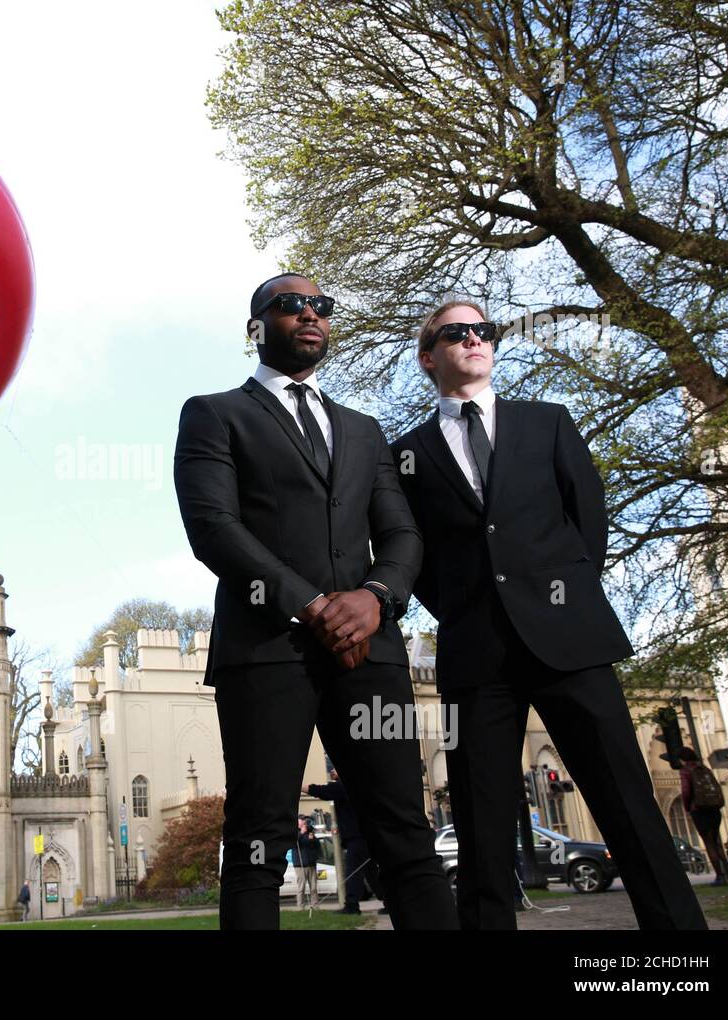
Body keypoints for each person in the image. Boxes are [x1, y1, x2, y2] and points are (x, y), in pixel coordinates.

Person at [390, 300, 708, 930]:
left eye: (484, 330)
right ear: (430, 356)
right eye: (457, 332)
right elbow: (412, 550)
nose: (475, 339)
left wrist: (564, 596)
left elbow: (588, 518)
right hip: (477, 653)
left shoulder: (548, 422)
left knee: (628, 805)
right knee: (482, 824)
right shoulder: (406, 454)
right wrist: (464, 608)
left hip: (570, 641)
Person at [173, 271, 457, 930]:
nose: (309, 314)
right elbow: (213, 528)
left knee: (406, 838)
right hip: (268, 651)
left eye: (321, 307)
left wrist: (377, 598)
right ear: (256, 328)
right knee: (256, 840)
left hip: (372, 656)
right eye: (290, 305)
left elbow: (401, 534)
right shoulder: (214, 414)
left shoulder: (364, 430)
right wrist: (312, 605)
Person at [304, 769, 384, 915]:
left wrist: (299, 786)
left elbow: (321, 791)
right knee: (372, 873)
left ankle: (352, 906)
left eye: (334, 769)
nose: (331, 771)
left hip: (358, 838)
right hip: (365, 837)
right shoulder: (356, 785)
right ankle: (391, 902)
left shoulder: (345, 785)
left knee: (353, 872)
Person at [679, 746, 728, 886]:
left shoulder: (686, 771)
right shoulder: (704, 768)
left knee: (709, 843)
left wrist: (687, 807)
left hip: (699, 810)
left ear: (682, 759)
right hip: (714, 809)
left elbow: (686, 791)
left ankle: (720, 876)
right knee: (716, 840)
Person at [291, 815, 321, 909]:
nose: (304, 823)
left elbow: (317, 845)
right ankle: (301, 907)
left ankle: (315, 906)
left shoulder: (310, 832)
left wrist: (313, 839)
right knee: (301, 887)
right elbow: (293, 843)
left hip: (311, 863)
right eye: (302, 821)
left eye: (305, 821)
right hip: (300, 864)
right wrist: (301, 833)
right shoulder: (294, 832)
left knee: (313, 887)